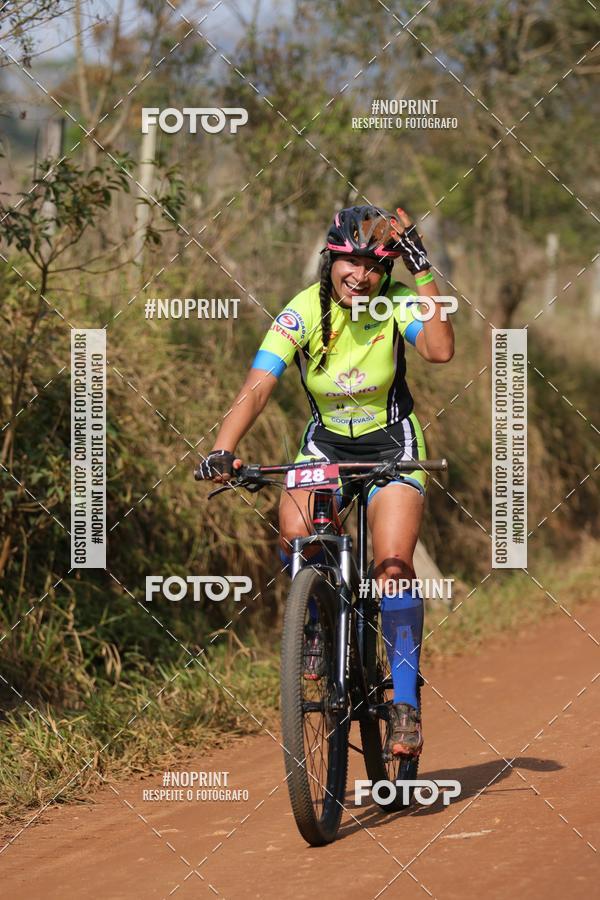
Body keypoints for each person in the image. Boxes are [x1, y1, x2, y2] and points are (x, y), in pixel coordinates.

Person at [197, 204, 454, 757]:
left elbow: (439, 350)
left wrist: (423, 269)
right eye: (349, 262)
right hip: (328, 444)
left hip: (392, 443)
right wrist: (224, 447)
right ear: (330, 258)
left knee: (392, 566)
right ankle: (315, 625)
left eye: (372, 266)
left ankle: (404, 704)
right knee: (295, 529)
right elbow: (258, 385)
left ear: (387, 273)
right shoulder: (302, 312)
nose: (359, 276)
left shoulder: (396, 304)